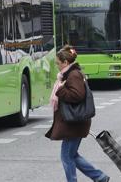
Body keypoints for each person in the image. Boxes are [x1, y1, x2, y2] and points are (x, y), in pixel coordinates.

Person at [46, 45, 109, 182]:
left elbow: (77, 95)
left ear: (65, 63)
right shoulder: (70, 73)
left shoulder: (73, 75)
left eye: (58, 63)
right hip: (74, 122)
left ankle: (93, 177)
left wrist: (61, 90)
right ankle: (99, 177)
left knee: (66, 156)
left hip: (74, 123)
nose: (56, 66)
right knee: (72, 155)